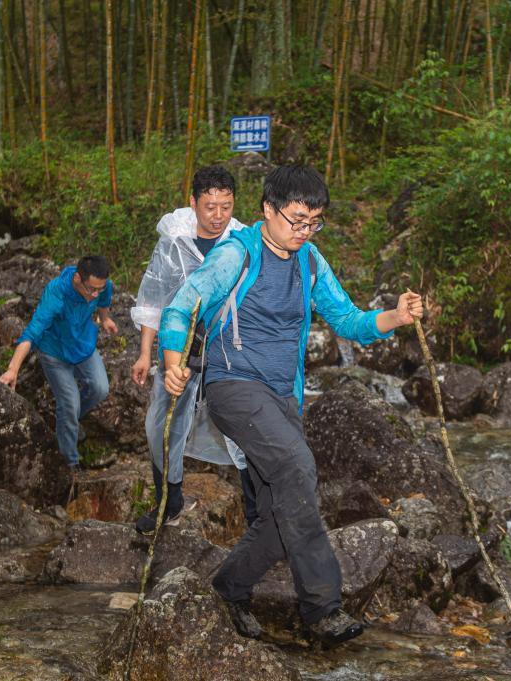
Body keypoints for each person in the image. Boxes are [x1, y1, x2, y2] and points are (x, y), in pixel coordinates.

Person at [158, 166, 424, 648]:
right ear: (267, 209)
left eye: (314, 222)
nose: (304, 232)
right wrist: (174, 361)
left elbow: (347, 319)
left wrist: (396, 317)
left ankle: (229, 589)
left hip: (283, 398)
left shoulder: (310, 261)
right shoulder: (237, 252)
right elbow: (183, 306)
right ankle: (322, 608)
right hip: (233, 386)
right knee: (299, 467)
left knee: (280, 517)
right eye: (297, 220)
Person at [129, 165, 256, 535]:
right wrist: (144, 352)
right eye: (210, 207)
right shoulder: (174, 241)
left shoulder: (245, 243)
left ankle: (258, 516)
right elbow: (154, 298)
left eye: (226, 206)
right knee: (160, 427)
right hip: (180, 351)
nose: (218, 216)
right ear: (193, 203)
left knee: (245, 431)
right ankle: (169, 500)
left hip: (231, 354)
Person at [0, 255, 118, 471]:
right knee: (70, 404)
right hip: (54, 353)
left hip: (83, 346)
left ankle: (68, 422)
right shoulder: (56, 293)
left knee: (100, 388)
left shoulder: (102, 286)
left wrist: (106, 318)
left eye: (98, 289)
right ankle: (69, 463)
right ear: (77, 279)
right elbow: (32, 333)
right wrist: (12, 369)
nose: (94, 295)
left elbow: (103, 301)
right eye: (91, 289)